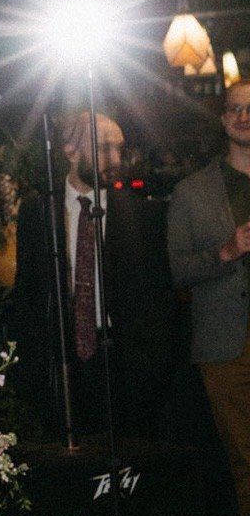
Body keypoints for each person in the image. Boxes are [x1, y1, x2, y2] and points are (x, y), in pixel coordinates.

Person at [12, 108, 178, 439]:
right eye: (104, 148)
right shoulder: (38, 212)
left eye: (120, 148)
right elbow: (27, 294)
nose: (115, 158)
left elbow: (159, 298)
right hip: (63, 364)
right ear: (71, 151)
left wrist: (154, 365)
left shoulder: (143, 215)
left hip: (124, 362)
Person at [168, 76, 250, 516]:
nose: (244, 116)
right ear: (223, 120)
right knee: (246, 462)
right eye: (235, 109)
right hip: (226, 345)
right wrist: (227, 250)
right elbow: (178, 269)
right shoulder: (192, 192)